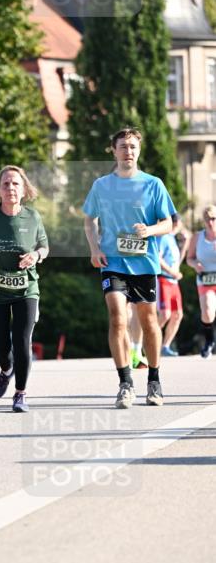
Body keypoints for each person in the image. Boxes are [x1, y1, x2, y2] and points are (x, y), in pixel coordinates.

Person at [83, 128, 175, 409]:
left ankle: (154, 380)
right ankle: (125, 383)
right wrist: (95, 249)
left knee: (148, 321)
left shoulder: (153, 184)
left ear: (138, 150)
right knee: (117, 318)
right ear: (113, 150)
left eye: (133, 146)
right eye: (123, 146)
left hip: (144, 262)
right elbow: (89, 220)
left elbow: (169, 223)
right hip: (113, 261)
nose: (128, 151)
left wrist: (149, 230)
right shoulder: (101, 186)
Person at [0, 165, 49, 413]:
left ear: (24, 189)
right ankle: (6, 369)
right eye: (6, 184)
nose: (11, 188)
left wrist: (35, 255)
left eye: (16, 184)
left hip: (26, 288)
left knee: (22, 340)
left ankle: (20, 393)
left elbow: (45, 247)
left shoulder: (33, 217)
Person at [186, 204, 216, 358]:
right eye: (207, 219)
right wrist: (195, 264)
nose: (210, 222)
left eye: (213, 218)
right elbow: (189, 258)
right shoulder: (197, 237)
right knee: (208, 312)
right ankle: (209, 341)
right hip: (206, 279)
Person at [157, 222, 184, 357]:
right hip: (164, 279)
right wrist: (172, 272)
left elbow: (177, 261)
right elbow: (158, 258)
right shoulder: (163, 237)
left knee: (177, 314)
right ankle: (147, 340)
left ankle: (165, 346)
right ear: (176, 223)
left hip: (174, 282)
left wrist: (185, 245)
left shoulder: (173, 238)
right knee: (165, 314)